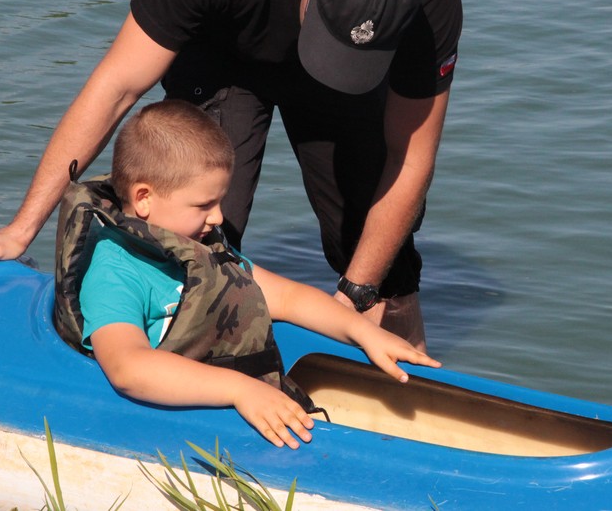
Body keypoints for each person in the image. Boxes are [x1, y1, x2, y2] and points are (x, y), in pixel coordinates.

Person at [0, 0, 463, 351]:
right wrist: (22, 229)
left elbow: (411, 158)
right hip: (226, 47)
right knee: (195, 226)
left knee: (383, 263)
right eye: (333, 41)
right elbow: (116, 86)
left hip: (344, 69)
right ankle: (177, 371)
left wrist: (356, 294)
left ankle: (412, 392)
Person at [79, 100, 440, 449]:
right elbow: (128, 367)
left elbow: (287, 298)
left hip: (224, 395)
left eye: (220, 201)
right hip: (167, 424)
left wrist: (364, 333)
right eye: (204, 205)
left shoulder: (197, 251)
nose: (219, 218)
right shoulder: (116, 272)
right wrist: (241, 389)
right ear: (144, 198)